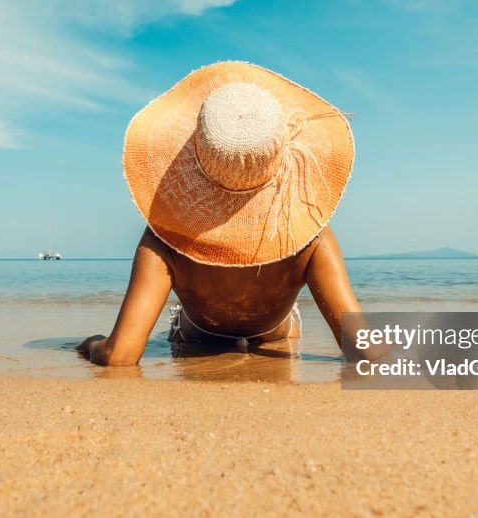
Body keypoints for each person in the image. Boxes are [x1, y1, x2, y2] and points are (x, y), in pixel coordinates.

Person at [77, 61, 363, 366]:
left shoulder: (164, 239)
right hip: (276, 335)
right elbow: (367, 352)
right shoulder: (311, 239)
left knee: (178, 327)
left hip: (197, 337)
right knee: (287, 327)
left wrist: (90, 344)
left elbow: (119, 356)